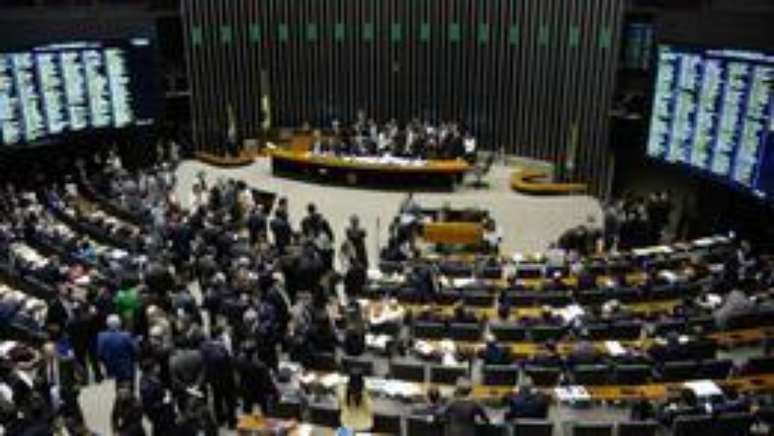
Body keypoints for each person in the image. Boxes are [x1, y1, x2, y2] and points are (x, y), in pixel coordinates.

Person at [97, 315, 137, 387]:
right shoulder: (126, 336)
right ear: (119, 323)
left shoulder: (101, 337)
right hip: (126, 367)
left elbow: (100, 353)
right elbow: (134, 350)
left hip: (110, 367)